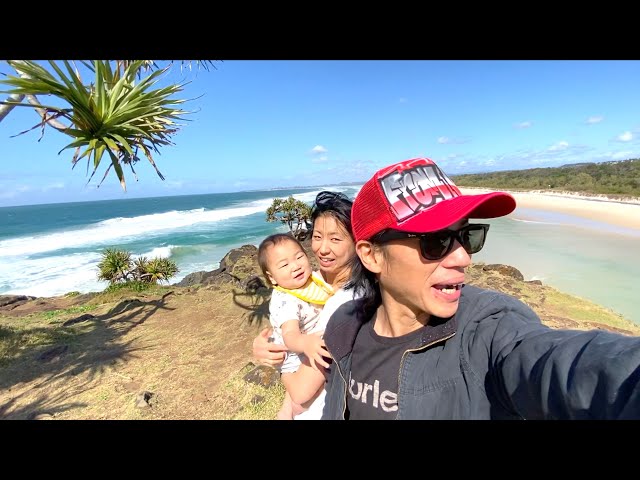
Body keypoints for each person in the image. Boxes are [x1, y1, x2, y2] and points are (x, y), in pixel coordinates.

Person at [321, 157, 640, 419]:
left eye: (467, 236)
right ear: (371, 255)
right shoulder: (345, 325)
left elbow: (557, 365)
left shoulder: (488, 329)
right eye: (436, 241)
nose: (464, 258)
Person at [253, 191, 360, 419]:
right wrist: (266, 345)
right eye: (317, 236)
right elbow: (290, 329)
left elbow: (300, 392)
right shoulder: (312, 282)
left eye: (335, 239)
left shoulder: (350, 300)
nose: (322, 248)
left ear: (357, 242)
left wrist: (283, 373)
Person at [257, 233, 334, 419]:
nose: (295, 266)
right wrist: (306, 343)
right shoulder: (285, 300)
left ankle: (288, 410)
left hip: (306, 347)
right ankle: (290, 408)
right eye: (284, 265)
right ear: (272, 277)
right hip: (294, 355)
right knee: (302, 396)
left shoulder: (313, 281)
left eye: (299, 257)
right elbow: (290, 335)